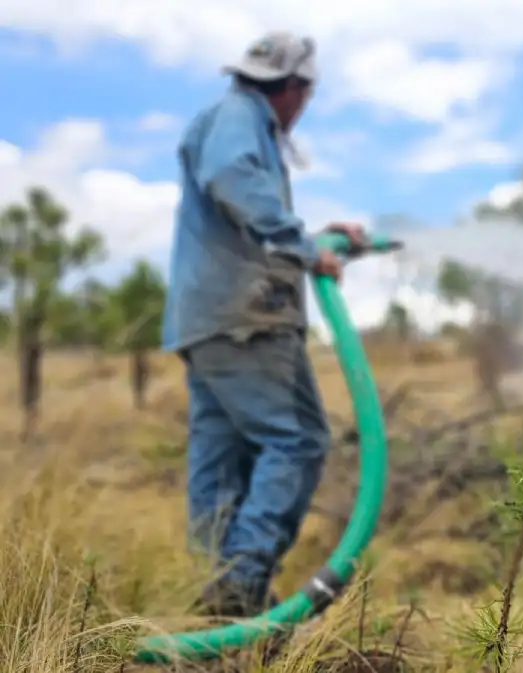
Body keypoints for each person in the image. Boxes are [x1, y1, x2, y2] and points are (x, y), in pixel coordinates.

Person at [161, 31, 366, 618]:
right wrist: (302, 245)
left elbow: (239, 202)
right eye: (305, 94)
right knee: (296, 439)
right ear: (293, 89)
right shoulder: (237, 119)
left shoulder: (226, 120)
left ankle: (219, 608)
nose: (303, 106)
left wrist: (319, 236)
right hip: (247, 318)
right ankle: (241, 585)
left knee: (221, 459)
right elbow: (232, 179)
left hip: (206, 323)